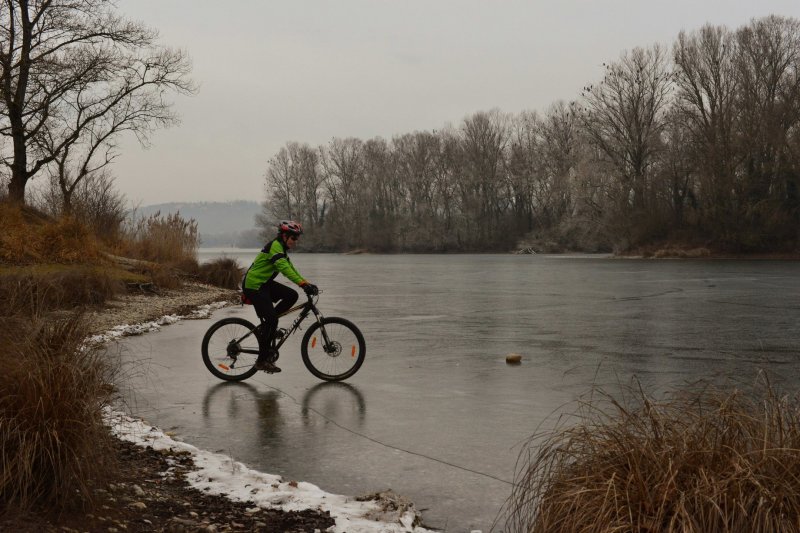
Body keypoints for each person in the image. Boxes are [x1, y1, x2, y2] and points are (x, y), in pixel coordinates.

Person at [242, 220, 318, 373]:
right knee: (272, 320)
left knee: (292, 295)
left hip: (264, 283)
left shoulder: (281, 249)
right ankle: (262, 361)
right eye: (293, 238)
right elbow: (284, 269)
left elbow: (291, 268)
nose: (295, 242)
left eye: (297, 239)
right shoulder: (275, 247)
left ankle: (268, 327)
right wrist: (303, 284)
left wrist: (306, 283)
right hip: (254, 285)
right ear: (284, 236)